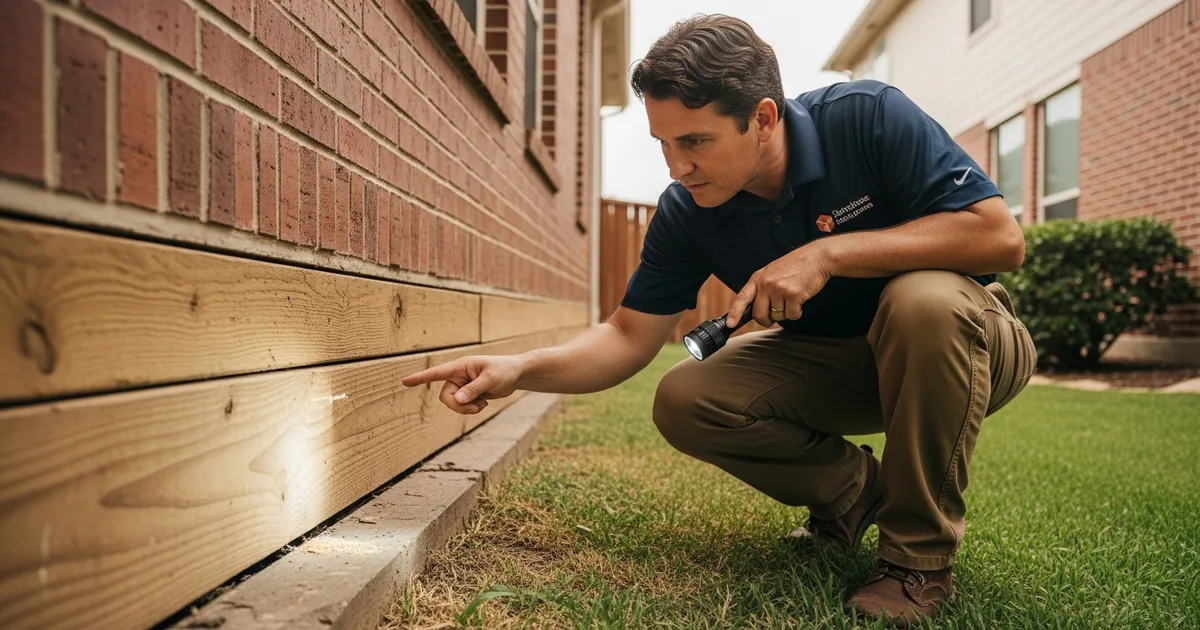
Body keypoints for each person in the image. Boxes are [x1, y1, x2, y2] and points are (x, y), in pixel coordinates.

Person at [402, 13, 1037, 628]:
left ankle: (916, 562)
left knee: (921, 300)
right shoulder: (686, 211)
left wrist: (827, 253)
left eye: (695, 141)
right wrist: (520, 369)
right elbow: (627, 336)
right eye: (663, 144)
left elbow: (998, 237)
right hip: (836, 359)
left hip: (966, 341)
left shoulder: (869, 117)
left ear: (763, 117)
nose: (676, 167)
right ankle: (853, 495)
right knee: (686, 396)